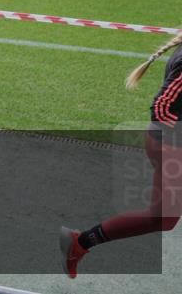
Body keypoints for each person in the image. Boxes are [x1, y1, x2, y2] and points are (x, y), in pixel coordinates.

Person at [60, 31, 182, 278]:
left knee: (162, 220)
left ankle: (80, 242)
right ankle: (80, 243)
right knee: (162, 217)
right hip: (169, 142)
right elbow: (161, 106)